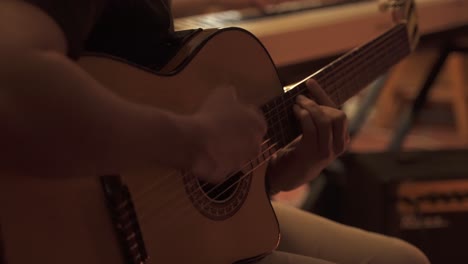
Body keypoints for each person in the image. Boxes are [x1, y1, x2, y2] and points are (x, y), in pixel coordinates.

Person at [0, 0, 430, 263]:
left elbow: (173, 186)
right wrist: (190, 139)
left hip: (161, 225)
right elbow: (11, 81)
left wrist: (279, 170)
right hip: (68, 227)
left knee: (401, 258)